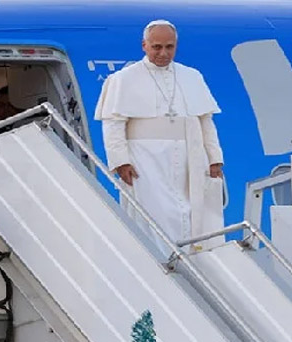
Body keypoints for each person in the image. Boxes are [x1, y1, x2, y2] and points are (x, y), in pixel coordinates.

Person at [93, 20, 226, 252]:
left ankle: (192, 259)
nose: (163, 53)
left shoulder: (192, 76)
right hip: (146, 159)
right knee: (155, 214)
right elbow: (113, 124)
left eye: (169, 47)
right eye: (157, 47)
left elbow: (206, 121)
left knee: (191, 211)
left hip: (189, 157)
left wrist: (215, 159)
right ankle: (162, 260)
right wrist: (120, 162)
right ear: (144, 45)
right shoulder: (124, 79)